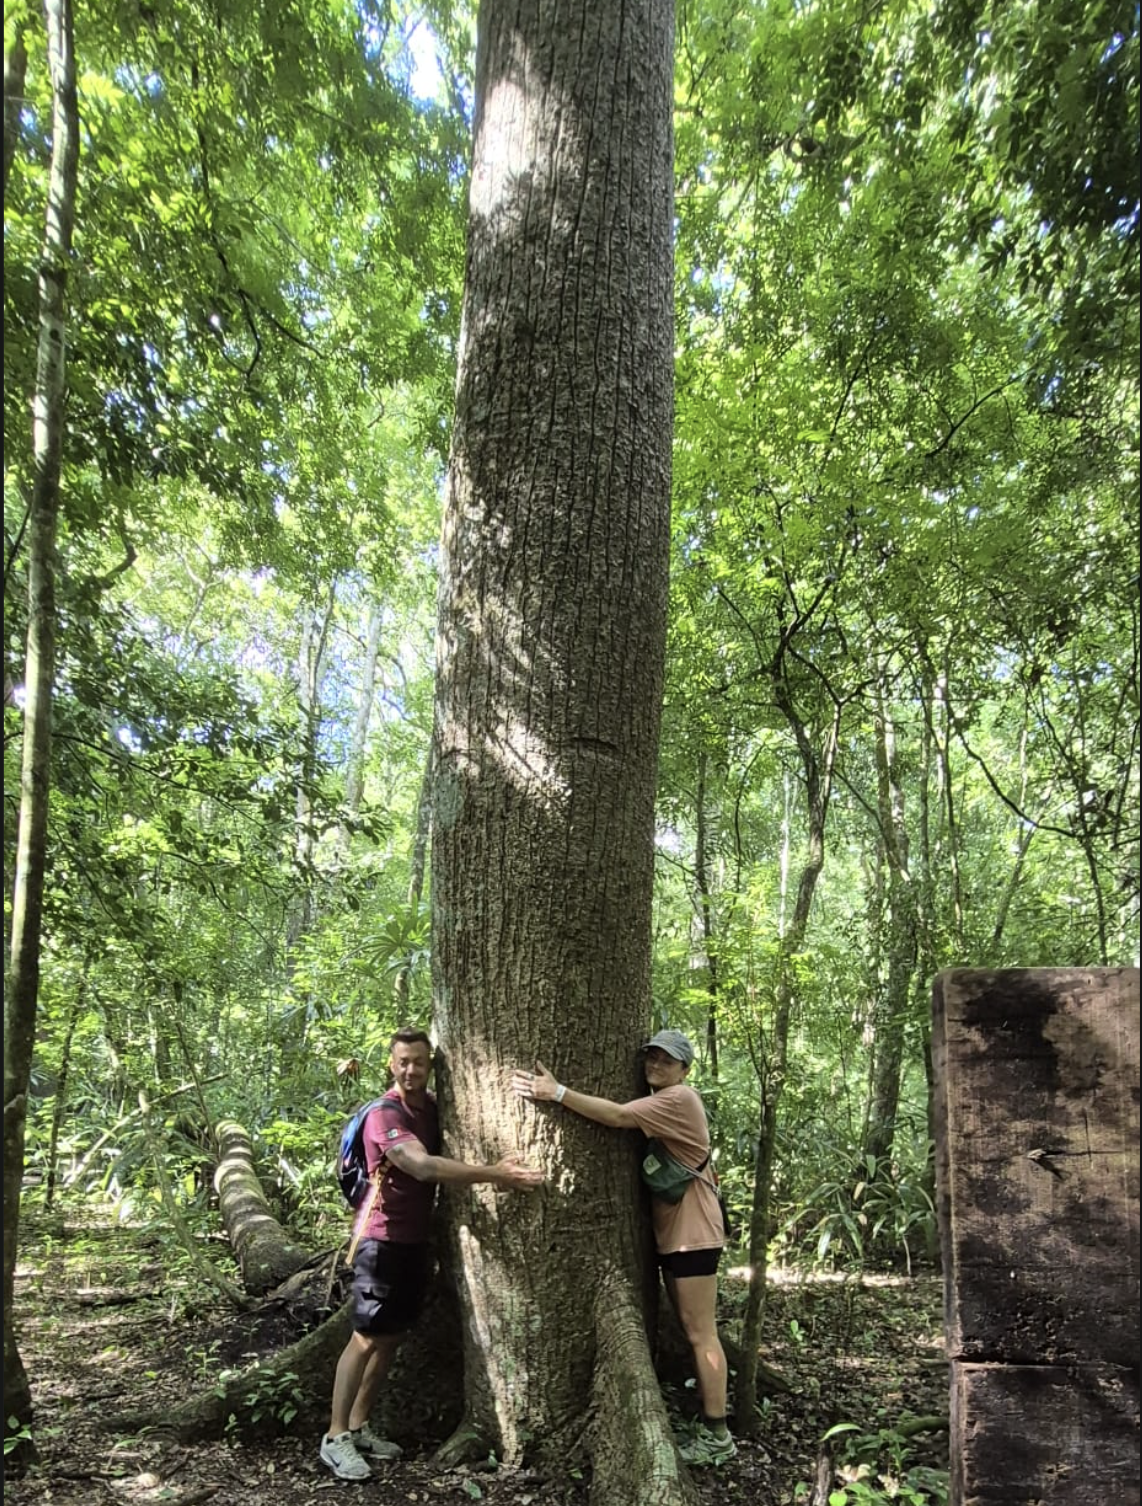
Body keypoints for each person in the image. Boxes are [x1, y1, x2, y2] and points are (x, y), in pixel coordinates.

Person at [321, 1026, 544, 1481]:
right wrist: (494, 1174)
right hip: (379, 1240)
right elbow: (419, 1165)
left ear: (430, 1064)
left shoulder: (434, 1109)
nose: (410, 1069)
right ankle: (335, 1436)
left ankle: (360, 1427)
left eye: (419, 1061)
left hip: (414, 1241)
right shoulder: (386, 1115)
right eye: (403, 1061)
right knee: (365, 1336)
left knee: (391, 1337)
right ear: (391, 1063)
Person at [511, 1028, 735, 1468]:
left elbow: (614, 1116)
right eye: (651, 1057)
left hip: (695, 1236)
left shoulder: (680, 1099)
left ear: (685, 1069)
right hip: (677, 1237)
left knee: (700, 1331)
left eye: (667, 1060)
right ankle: (711, 1426)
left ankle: (717, 1435)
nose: (655, 1065)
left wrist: (556, 1092)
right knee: (694, 1330)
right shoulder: (661, 1101)